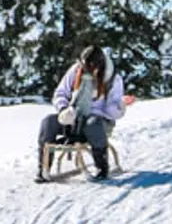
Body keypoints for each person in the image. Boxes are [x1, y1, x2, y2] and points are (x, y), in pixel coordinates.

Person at [35, 44, 126, 182]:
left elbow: (111, 111)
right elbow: (60, 93)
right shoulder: (75, 71)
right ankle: (43, 167)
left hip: (99, 120)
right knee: (48, 122)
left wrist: (120, 106)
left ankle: (102, 168)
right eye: (84, 67)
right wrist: (63, 110)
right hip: (74, 118)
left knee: (93, 124)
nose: (86, 71)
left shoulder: (113, 78)